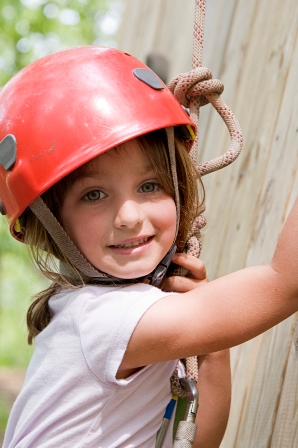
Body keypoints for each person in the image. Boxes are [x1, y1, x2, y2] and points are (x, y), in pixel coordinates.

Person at [0, 46, 297, 448]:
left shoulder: (92, 314)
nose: (128, 216)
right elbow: (286, 282)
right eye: (93, 195)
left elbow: (200, 443)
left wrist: (211, 349)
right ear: (54, 225)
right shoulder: (106, 319)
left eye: (149, 185)